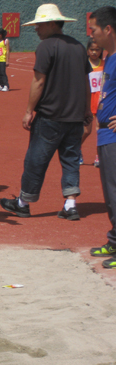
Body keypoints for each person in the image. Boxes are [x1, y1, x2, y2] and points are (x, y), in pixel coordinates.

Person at [0, 4, 92, 221]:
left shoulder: (46, 47)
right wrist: (86, 110)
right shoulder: (79, 47)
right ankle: (70, 204)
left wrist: (29, 110)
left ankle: (23, 203)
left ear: (52, 23)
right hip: (75, 117)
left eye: (39, 24)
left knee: (36, 160)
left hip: (50, 115)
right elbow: (86, 83)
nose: (36, 29)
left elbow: (38, 81)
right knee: (71, 159)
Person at [88, 6, 116, 268]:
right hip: (105, 133)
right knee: (110, 193)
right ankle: (115, 240)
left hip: (114, 136)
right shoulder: (110, 57)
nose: (91, 35)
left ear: (108, 29)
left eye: (94, 29)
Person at [80, 38, 104, 167]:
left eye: (97, 49)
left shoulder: (104, 64)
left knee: (100, 130)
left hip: (101, 102)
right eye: (92, 49)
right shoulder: (84, 65)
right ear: (87, 51)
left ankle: (98, 156)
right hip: (88, 102)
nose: (94, 52)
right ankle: (77, 149)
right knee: (86, 130)